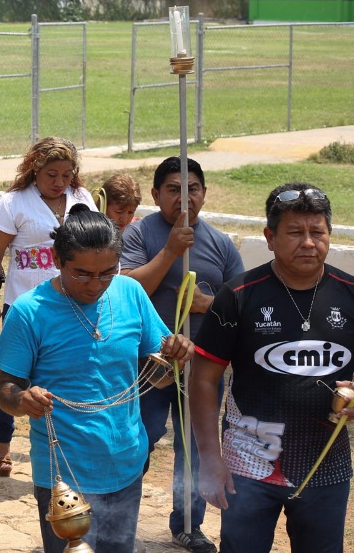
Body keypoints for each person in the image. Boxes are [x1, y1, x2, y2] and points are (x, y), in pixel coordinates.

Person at [0, 206, 193, 553]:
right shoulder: (30, 311)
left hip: (127, 462)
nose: (95, 285)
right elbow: (5, 392)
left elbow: (158, 378)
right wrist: (23, 401)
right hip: (63, 473)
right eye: (82, 274)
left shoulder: (130, 292)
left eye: (106, 273)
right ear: (57, 259)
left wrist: (177, 357)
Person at [192, 184, 354, 553]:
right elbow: (203, 379)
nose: (308, 242)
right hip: (249, 462)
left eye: (317, 232)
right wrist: (211, 459)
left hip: (326, 466)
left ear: (329, 236)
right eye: (295, 232)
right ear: (269, 237)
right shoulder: (238, 295)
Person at [120, 156, 243, 553]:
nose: (184, 197)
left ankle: (188, 523)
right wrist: (172, 251)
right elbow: (126, 287)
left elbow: (240, 303)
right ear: (156, 194)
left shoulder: (221, 244)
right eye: (174, 189)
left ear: (204, 193)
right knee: (141, 436)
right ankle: (119, 517)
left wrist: (206, 304)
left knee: (194, 443)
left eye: (192, 188)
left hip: (202, 366)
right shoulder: (138, 236)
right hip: (150, 360)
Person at [0, 136, 94, 476]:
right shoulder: (14, 203)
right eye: (51, 175)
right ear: (35, 170)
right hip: (24, 308)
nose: (59, 182)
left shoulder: (83, 199)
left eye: (66, 174)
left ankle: (67, 447)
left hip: (71, 306)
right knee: (13, 382)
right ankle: (0, 443)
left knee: (68, 379)